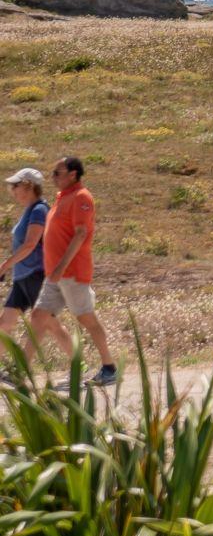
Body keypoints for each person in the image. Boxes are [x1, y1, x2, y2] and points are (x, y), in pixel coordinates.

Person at [29, 157, 114, 386]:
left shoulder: (81, 197)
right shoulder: (62, 197)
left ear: (73, 174)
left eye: (57, 172)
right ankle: (21, 370)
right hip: (55, 274)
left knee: (86, 318)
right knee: (38, 316)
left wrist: (60, 267)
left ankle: (109, 367)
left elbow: (80, 234)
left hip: (72, 272)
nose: (53, 177)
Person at [0, 168, 47, 340]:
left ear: (29, 186)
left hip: (35, 275)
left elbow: (30, 245)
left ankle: (77, 362)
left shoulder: (39, 210)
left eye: (15, 185)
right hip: (23, 276)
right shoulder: (29, 210)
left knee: (50, 324)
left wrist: (5, 266)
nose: (12, 190)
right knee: (5, 323)